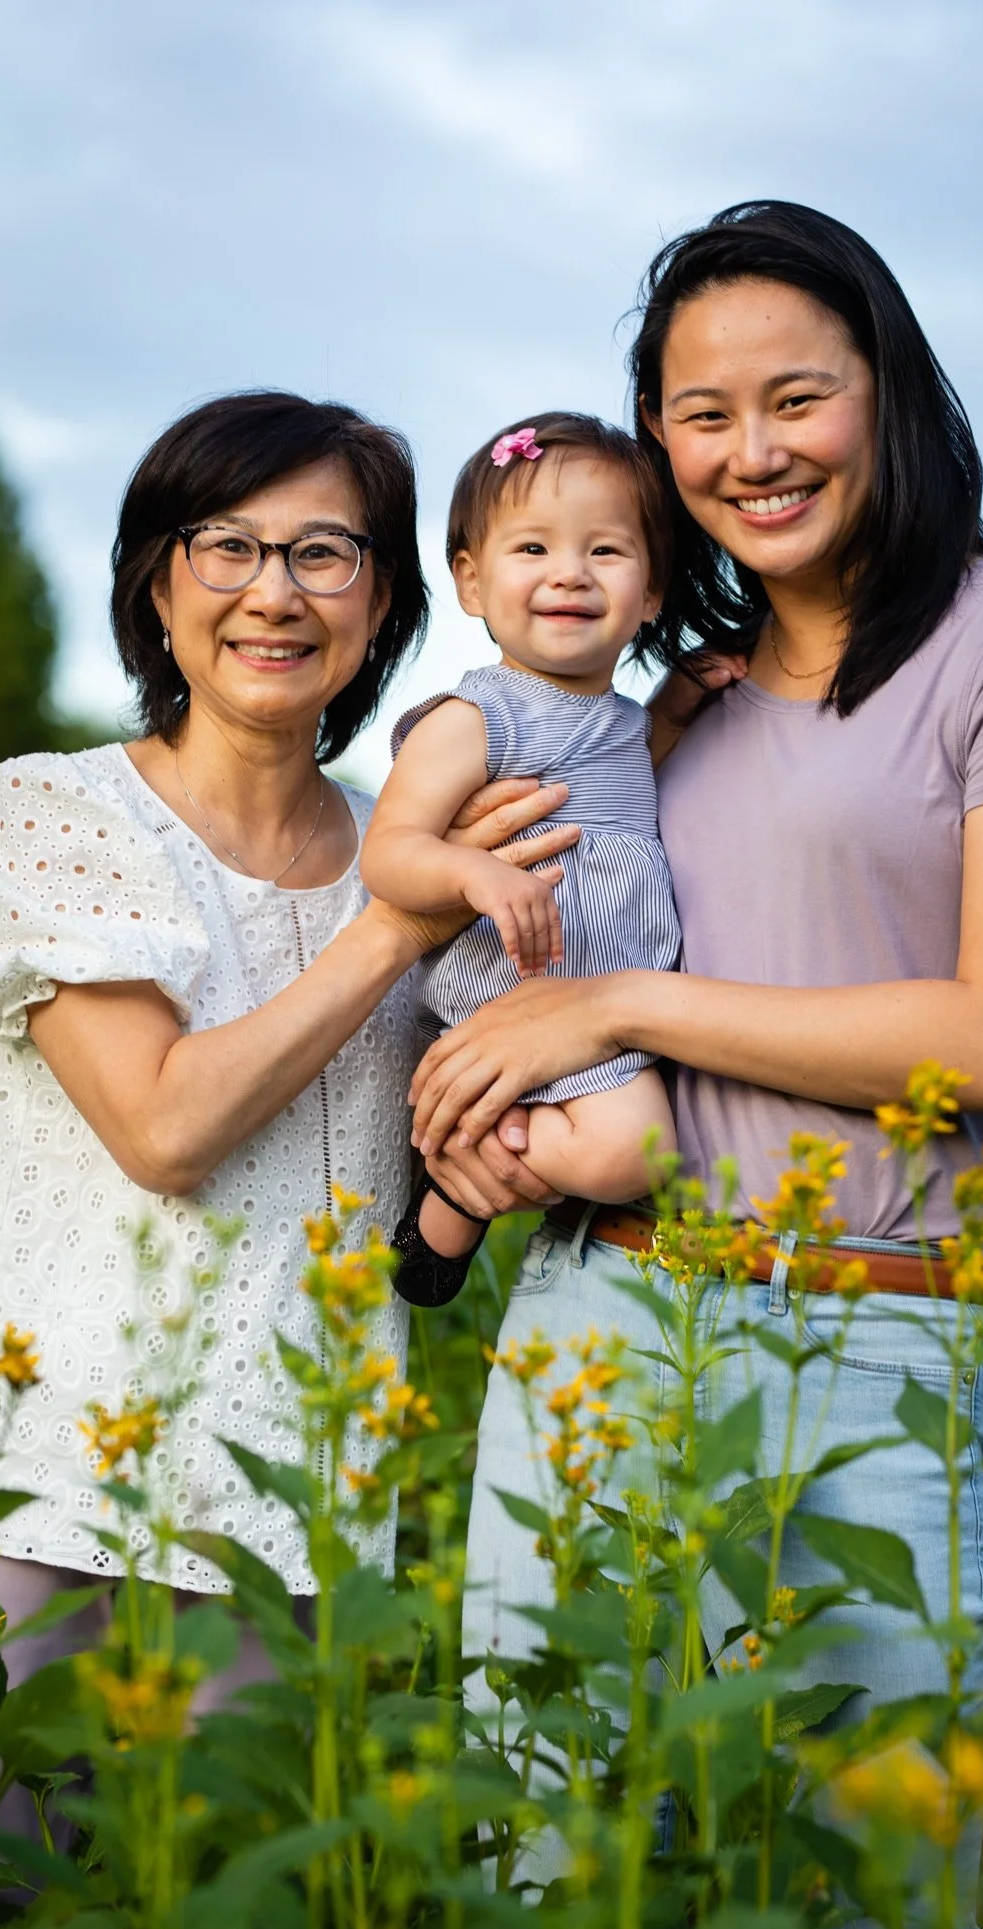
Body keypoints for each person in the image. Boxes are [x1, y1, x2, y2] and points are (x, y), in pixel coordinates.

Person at [416, 203, 983, 1929]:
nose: (751, 452)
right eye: (700, 414)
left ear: (887, 394)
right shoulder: (668, 700)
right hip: (600, 1314)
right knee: (540, 1876)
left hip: (873, 1331)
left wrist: (635, 1012)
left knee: (874, 1911)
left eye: (795, 398)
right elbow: (533, 954)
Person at [0, 390, 579, 1709]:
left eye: (325, 553)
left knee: (244, 1903)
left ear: (382, 607)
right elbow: (163, 1131)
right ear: (159, 588)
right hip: (38, 1494)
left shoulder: (422, 857)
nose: (276, 592)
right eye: (228, 546)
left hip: (299, 1512)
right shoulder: (55, 809)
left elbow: (472, 1113)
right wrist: (396, 924)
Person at [362, 412, 685, 1307]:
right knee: (638, 1153)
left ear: (653, 590)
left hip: (595, 1002)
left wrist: (694, 690)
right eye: (532, 548)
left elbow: (640, 755)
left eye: (606, 553)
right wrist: (476, 873)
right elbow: (390, 854)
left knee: (638, 1141)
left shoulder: (627, 719)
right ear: (470, 581)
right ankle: (456, 1168)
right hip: (513, 994)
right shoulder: (477, 719)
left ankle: (446, 1211)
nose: (568, 574)